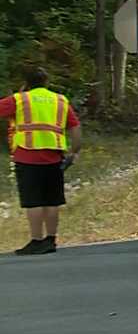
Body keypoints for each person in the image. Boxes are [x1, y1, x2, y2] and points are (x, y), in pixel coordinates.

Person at [1, 67, 82, 255]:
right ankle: (51, 240)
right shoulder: (60, 100)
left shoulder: (20, 99)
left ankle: (36, 240)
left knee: (33, 201)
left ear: (26, 82)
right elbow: (75, 128)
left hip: (27, 155)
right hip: (54, 156)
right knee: (52, 200)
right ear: (47, 82)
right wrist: (74, 152)